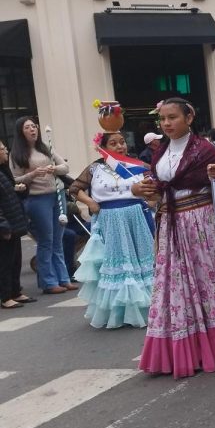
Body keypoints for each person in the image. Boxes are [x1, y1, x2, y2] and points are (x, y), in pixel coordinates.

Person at [132, 97, 215, 378]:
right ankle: (182, 345)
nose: (166, 123)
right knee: (174, 285)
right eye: (163, 119)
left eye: (172, 117)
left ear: (188, 118)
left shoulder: (205, 150)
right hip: (170, 224)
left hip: (200, 223)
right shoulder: (160, 153)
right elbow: (157, 189)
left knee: (208, 281)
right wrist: (139, 190)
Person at [69, 132, 154, 328]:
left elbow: (157, 186)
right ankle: (118, 312)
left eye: (122, 142)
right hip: (110, 220)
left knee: (142, 263)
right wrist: (91, 202)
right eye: (113, 143)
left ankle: (149, 309)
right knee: (119, 264)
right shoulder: (95, 168)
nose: (120, 146)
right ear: (103, 148)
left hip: (136, 218)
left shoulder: (136, 166)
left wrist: (151, 201)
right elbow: (74, 189)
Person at [10, 117, 76, 294]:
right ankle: (48, 281)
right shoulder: (17, 154)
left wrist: (55, 169)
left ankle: (64, 278)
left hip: (57, 194)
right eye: (27, 127)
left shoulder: (46, 147)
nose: (33, 129)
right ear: (20, 132)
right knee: (46, 240)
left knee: (58, 239)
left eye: (34, 126)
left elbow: (65, 167)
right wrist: (32, 174)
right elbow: (15, 179)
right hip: (37, 199)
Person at [0, 141, 36, 309]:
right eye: (1, 149)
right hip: (5, 226)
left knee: (15, 261)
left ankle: (16, 292)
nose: (5, 151)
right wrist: (3, 225)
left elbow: (10, 196)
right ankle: (5, 296)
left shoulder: (4, 171)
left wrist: (20, 190)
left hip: (14, 222)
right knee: (5, 262)